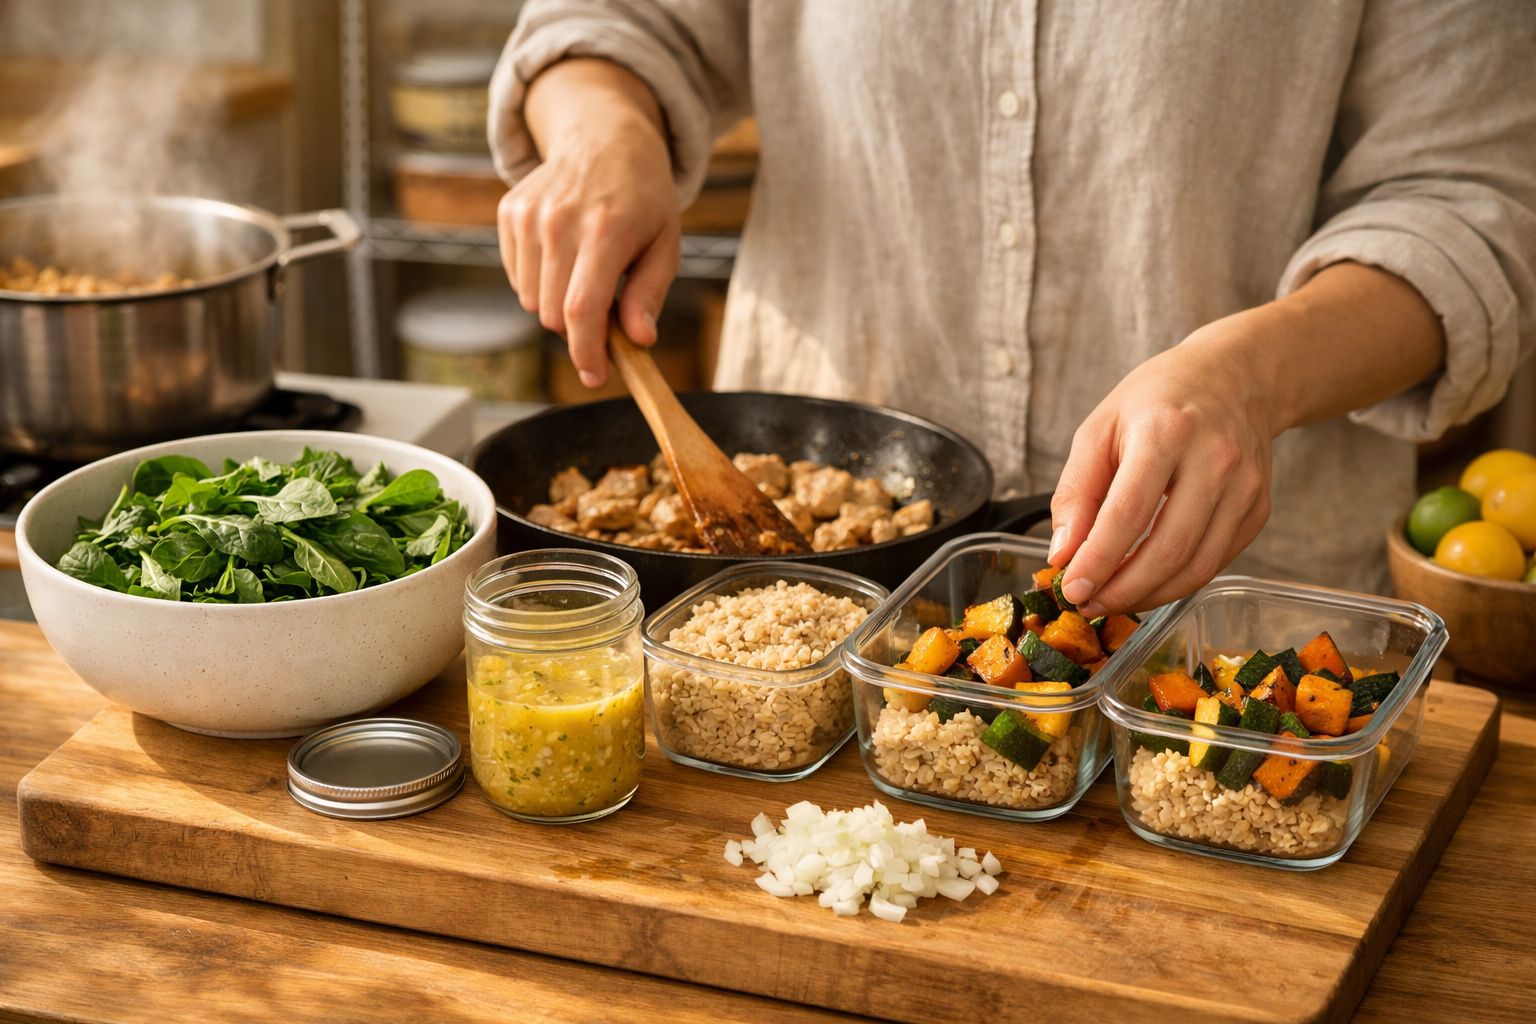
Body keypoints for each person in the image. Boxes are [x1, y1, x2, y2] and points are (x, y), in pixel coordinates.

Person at [487, 1, 1536, 615]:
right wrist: (600, 134)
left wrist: (1252, 377)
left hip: (1225, 600)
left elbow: (1473, 201)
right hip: (792, 615)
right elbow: (615, 19)